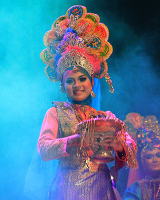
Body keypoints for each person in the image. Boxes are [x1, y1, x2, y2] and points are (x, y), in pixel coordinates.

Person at [37, 5, 138, 200]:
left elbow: (131, 147)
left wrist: (116, 144)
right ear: (62, 86)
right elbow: (43, 148)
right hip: (66, 189)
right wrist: (75, 140)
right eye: (70, 81)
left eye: (82, 79)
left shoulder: (104, 118)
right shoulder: (55, 113)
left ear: (92, 82)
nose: (77, 85)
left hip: (101, 188)